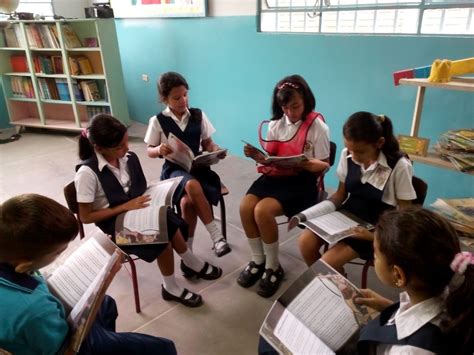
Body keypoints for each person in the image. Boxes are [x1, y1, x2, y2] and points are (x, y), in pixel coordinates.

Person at [0, 193, 178, 354]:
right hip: (64, 346)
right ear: (23, 266)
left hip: (42, 324)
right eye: (57, 253)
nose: (62, 254)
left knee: (107, 304)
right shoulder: (34, 310)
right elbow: (68, 350)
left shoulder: (10, 254)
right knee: (161, 348)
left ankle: (106, 339)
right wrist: (104, 282)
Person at [75, 114, 222, 308]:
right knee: (161, 233)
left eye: (126, 142)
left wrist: (158, 192)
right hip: (114, 226)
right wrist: (124, 207)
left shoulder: (129, 158)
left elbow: (139, 188)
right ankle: (172, 284)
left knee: (165, 217)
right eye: (120, 146)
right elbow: (85, 216)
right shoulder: (87, 173)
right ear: (99, 148)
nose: (127, 148)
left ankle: (188, 263)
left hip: (135, 211)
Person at [239, 74, 330, 298]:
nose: (290, 112)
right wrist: (260, 157)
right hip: (276, 176)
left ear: (306, 101)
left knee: (262, 211)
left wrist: (307, 163)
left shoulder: (318, 127)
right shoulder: (275, 124)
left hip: (302, 181)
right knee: (245, 206)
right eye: (285, 107)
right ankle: (257, 259)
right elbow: (272, 157)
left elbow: (324, 166)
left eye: (296, 106)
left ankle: (272, 266)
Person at [298, 111, 416, 271]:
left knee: (326, 264)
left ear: (379, 143)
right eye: (349, 149)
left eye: (359, 151)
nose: (353, 156)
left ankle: (333, 282)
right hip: (349, 213)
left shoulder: (399, 165)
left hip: (377, 225)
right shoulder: (347, 155)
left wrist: (375, 237)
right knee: (305, 243)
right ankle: (336, 281)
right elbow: (341, 194)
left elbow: (405, 214)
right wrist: (319, 211)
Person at [355, 208, 474, 354]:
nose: (374, 257)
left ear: (398, 275)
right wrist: (387, 307)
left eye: (375, 253)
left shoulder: (408, 350)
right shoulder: (453, 295)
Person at [144, 72, 230, 258]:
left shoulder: (198, 115)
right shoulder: (157, 121)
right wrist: (159, 149)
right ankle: (217, 237)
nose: (183, 100)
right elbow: (149, 150)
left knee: (188, 203)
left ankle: (188, 253)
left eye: (185, 95)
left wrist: (216, 150)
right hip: (174, 171)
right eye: (176, 97)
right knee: (191, 185)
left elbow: (208, 142)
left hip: (198, 168)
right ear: (164, 98)